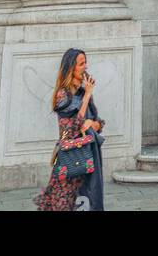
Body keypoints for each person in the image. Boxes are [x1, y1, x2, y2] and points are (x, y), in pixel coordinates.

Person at [34, 48, 105, 212]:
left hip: (90, 155)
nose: (85, 67)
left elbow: (98, 122)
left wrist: (93, 125)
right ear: (71, 68)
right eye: (81, 64)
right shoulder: (62, 95)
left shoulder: (83, 92)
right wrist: (87, 97)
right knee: (66, 204)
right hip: (71, 159)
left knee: (90, 200)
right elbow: (72, 128)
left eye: (86, 63)